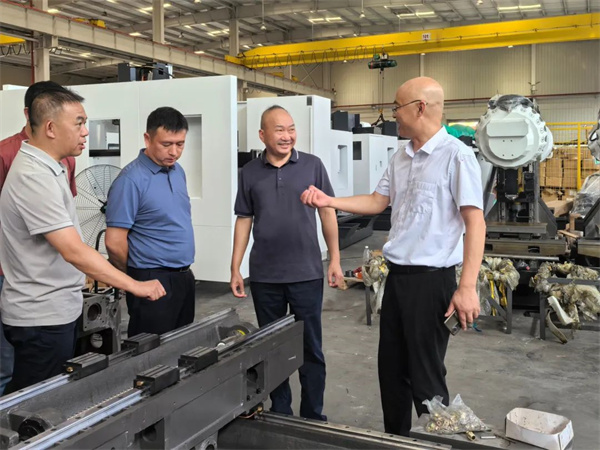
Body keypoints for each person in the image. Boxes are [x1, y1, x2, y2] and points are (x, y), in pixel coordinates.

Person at [301, 77, 485, 436]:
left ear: (420, 108)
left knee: (427, 378)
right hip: (397, 278)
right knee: (392, 372)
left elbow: (474, 222)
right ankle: (396, 440)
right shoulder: (401, 156)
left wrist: (467, 287)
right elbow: (377, 201)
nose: (393, 115)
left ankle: (439, 441)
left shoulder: (456, 156)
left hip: (432, 282)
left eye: (397, 107)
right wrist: (329, 201)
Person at [0, 84, 165, 393]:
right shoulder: (33, 177)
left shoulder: (53, 167)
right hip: (40, 316)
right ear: (50, 128)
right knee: (33, 404)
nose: (86, 132)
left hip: (55, 308)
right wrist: (134, 284)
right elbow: (73, 250)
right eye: (78, 123)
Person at [230, 105, 343, 421]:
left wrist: (334, 259)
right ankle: (281, 411)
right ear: (262, 134)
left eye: (291, 129)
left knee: (311, 348)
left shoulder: (312, 165)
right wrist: (235, 266)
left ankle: (313, 415)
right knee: (273, 348)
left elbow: (327, 212)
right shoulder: (249, 172)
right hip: (265, 276)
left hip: (306, 273)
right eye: (279, 129)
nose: (287, 135)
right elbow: (244, 219)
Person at [0, 81, 79, 395]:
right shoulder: (11, 158)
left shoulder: (63, 160)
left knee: (44, 380)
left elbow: (64, 218)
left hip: (53, 290)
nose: (84, 132)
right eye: (78, 123)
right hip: (21, 282)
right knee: (13, 373)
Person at [105, 107, 195, 338]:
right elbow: (114, 242)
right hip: (151, 278)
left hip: (184, 277)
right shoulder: (130, 180)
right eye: (166, 144)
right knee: (152, 352)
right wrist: (132, 278)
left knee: (183, 346)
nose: (174, 152)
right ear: (148, 138)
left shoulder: (177, 171)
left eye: (180, 144)